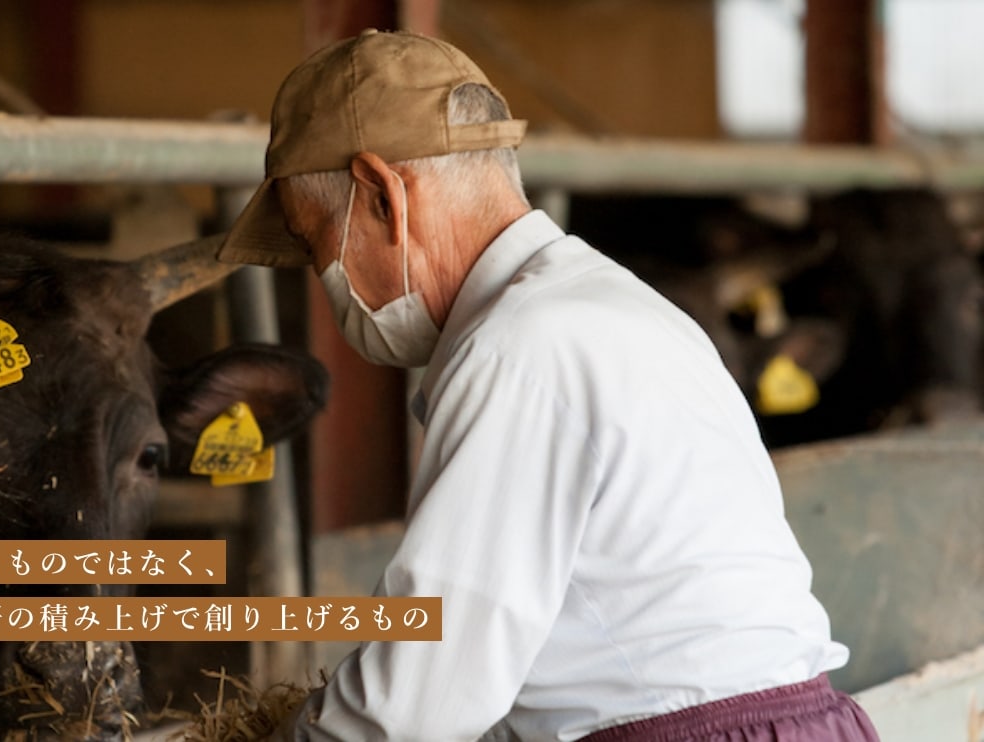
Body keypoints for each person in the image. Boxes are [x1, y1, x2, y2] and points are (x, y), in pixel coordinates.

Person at [217, 28, 880, 742]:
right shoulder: (623, 308)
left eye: (320, 244)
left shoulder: (517, 349)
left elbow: (414, 707)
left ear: (384, 196)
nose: (328, 283)